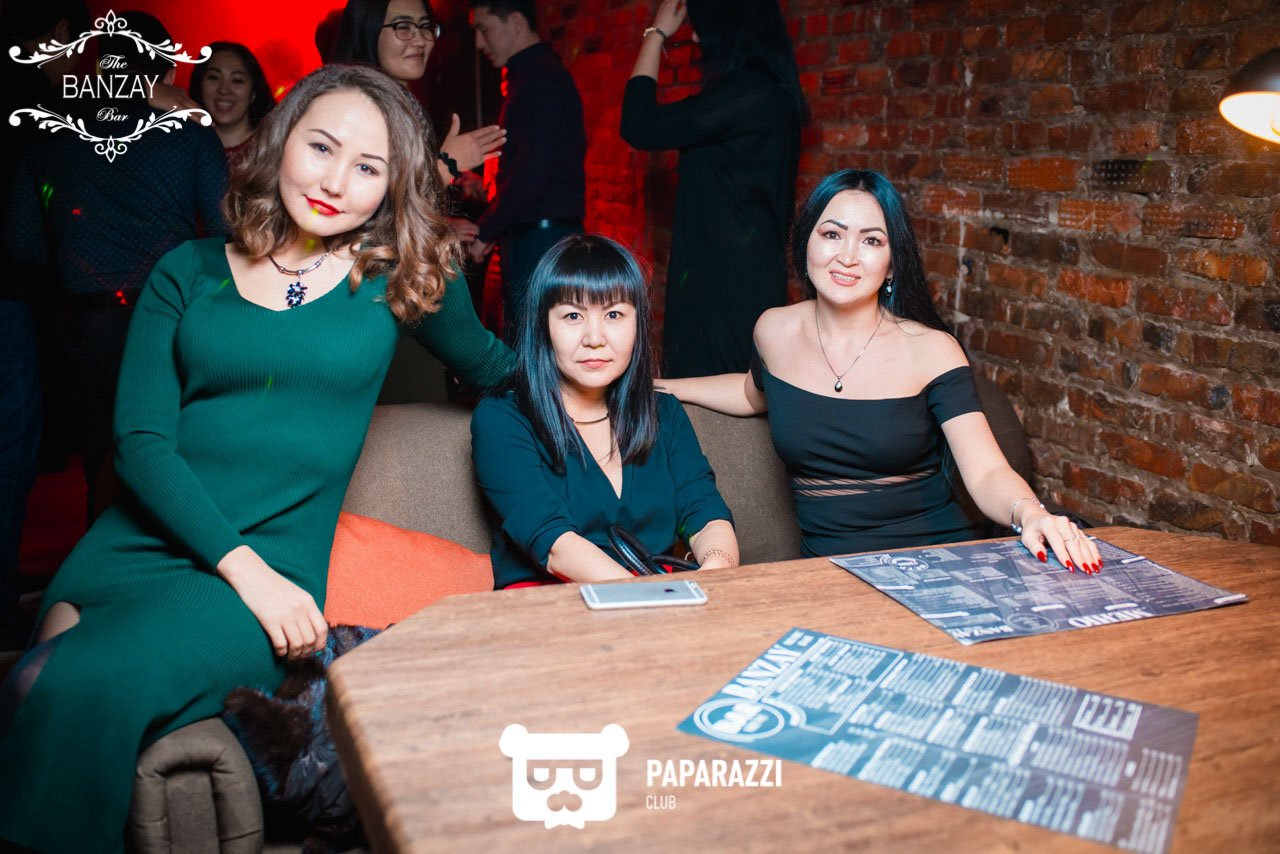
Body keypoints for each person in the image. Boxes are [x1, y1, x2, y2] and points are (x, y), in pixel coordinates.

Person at [0, 63, 513, 852]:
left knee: (61, 686)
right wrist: (244, 569)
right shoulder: (186, 270)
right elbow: (140, 444)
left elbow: (495, 366)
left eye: (367, 167)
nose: (335, 181)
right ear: (281, 141)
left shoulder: (403, 278)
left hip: (269, 576)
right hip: (137, 547)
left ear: (391, 186)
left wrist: (634, 385)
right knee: (27, 683)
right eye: (322, 147)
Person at [658, 171, 1104, 573]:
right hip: (831, 574)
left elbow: (987, 472)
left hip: (938, 562)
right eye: (832, 234)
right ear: (806, 243)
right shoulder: (774, 330)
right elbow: (750, 393)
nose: (847, 256)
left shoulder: (932, 350)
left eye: (871, 241)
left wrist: (1032, 514)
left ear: (892, 263)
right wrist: (661, 387)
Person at [4, 10, 229, 519]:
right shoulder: (190, 134)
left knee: (103, 466)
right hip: (172, 315)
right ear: (166, 72)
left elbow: (22, 246)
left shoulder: (48, 137)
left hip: (89, 322)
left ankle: (104, 563)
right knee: (172, 462)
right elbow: (225, 231)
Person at [471, 234, 738, 588]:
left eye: (613, 314)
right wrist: (653, 597)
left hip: (660, 599)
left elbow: (705, 513)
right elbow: (556, 546)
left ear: (637, 323)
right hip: (548, 605)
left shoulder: (663, 412)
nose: (594, 338)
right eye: (573, 316)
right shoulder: (502, 419)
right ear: (543, 326)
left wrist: (716, 572)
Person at [620, 0, 806, 378]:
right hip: (738, 276)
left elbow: (638, 124)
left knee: (709, 394)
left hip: (726, 284)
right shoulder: (769, 91)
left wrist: (656, 35)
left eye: (700, 25)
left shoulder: (749, 94)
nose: (693, 36)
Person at [467, 0, 587, 343]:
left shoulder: (542, 79)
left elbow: (533, 175)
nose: (479, 42)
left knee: (535, 348)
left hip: (541, 241)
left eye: (484, 29)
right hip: (535, 237)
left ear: (517, 23)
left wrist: (486, 230)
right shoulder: (531, 76)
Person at [331, 0, 506, 189]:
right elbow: (376, 201)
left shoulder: (403, 105)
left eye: (425, 26)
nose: (421, 40)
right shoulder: (357, 110)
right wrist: (447, 165)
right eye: (403, 27)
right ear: (367, 31)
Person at [188, 41, 276, 163]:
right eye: (214, 77)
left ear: (254, 93)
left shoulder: (274, 150)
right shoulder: (182, 146)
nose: (224, 90)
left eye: (237, 80)